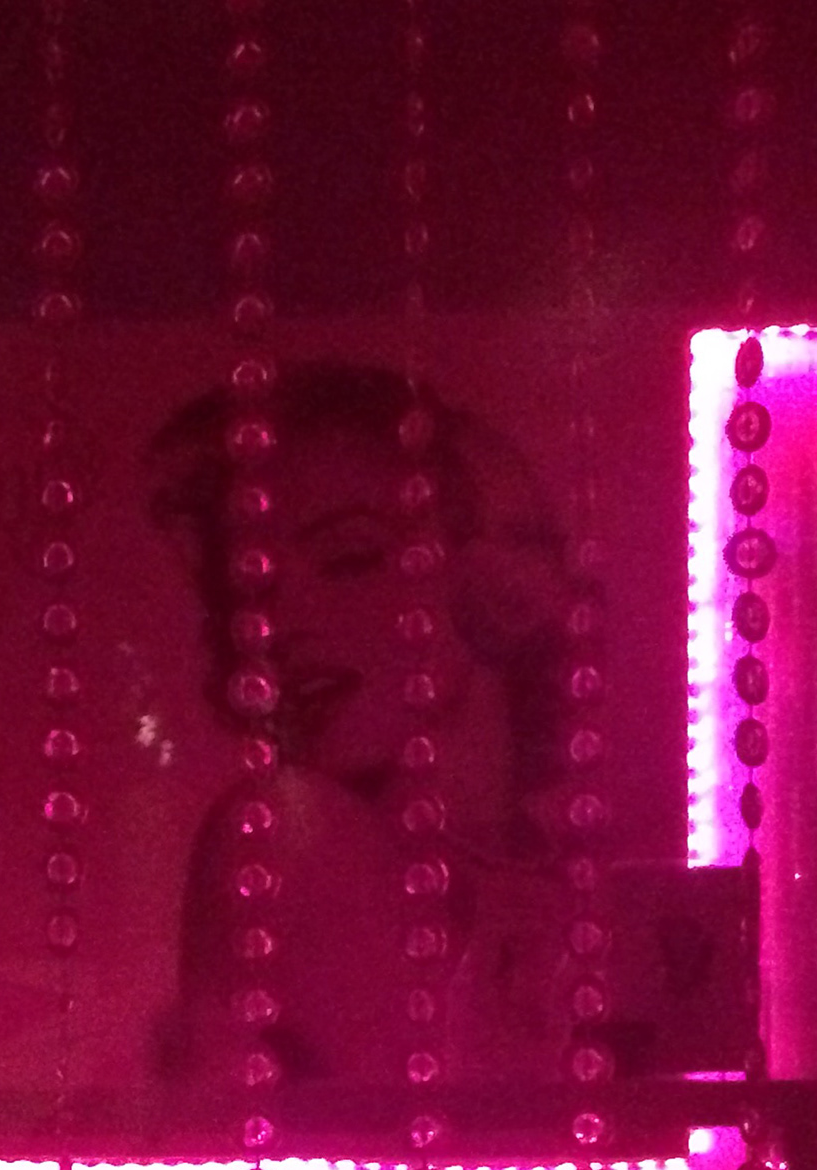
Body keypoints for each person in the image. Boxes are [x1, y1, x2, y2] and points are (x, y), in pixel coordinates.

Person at [149, 362, 576, 1087]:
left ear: (486, 573)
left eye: (350, 560)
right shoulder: (290, 830)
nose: (282, 624)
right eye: (252, 596)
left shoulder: (550, 870)